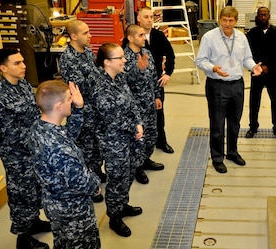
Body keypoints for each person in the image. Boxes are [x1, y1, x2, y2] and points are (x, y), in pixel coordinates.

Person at [0, 48, 50, 249]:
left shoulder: (23, 84)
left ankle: (33, 221)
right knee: (22, 193)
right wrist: (41, 139)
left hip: (33, 149)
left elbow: (33, 114)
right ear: (3, 68)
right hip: (16, 155)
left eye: (23, 61)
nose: (24, 66)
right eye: (17, 63)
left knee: (35, 189)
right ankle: (23, 237)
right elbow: (9, 133)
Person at [29, 80, 102, 248]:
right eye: (70, 99)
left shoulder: (40, 127)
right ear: (59, 106)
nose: (73, 100)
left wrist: (78, 108)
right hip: (72, 210)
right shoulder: (58, 147)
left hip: (55, 204)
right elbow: (79, 181)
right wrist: (96, 185)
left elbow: (68, 136)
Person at [195, 6, 262, 174]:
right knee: (217, 124)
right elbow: (200, 60)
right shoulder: (209, 37)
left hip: (237, 85)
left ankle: (232, 152)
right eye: (224, 20)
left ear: (236, 21)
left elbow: (246, 58)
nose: (227, 24)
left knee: (235, 123)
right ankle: (217, 158)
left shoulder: (241, 37)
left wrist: (254, 67)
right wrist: (213, 68)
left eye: (231, 20)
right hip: (217, 85)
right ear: (220, 20)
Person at [91, 43, 144, 237]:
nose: (124, 60)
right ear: (106, 62)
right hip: (113, 141)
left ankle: (123, 204)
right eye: (120, 58)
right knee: (117, 178)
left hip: (129, 136)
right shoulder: (99, 86)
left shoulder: (119, 78)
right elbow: (111, 118)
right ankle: (114, 216)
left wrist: (138, 122)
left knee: (129, 172)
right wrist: (134, 127)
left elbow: (132, 103)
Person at [59, 19, 104, 202]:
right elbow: (82, 87)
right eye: (85, 33)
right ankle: (89, 187)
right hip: (81, 113)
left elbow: (93, 77)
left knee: (96, 146)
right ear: (73, 36)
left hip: (94, 109)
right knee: (84, 149)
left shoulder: (86, 51)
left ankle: (97, 173)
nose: (90, 35)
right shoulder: (68, 59)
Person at [123, 24, 164, 184]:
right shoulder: (124, 57)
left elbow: (154, 76)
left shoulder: (146, 53)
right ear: (131, 38)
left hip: (149, 103)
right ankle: (137, 168)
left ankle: (146, 160)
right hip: (135, 107)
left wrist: (157, 96)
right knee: (138, 138)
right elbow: (123, 82)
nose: (144, 38)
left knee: (151, 134)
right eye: (140, 35)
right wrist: (137, 69)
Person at [138, 6, 176, 154]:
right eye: (146, 17)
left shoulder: (159, 36)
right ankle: (142, 143)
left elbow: (171, 55)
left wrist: (167, 73)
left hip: (156, 83)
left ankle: (161, 141)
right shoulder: (133, 36)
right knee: (140, 115)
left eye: (151, 17)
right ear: (139, 19)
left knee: (158, 113)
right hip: (139, 85)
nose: (149, 20)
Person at [245, 6, 276, 140]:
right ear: (257, 17)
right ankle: (252, 127)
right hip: (256, 72)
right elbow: (248, 53)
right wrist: (256, 67)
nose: (262, 17)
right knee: (254, 101)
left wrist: (271, 67)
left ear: (269, 16)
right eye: (260, 15)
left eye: (265, 15)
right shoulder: (251, 34)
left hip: (272, 73)